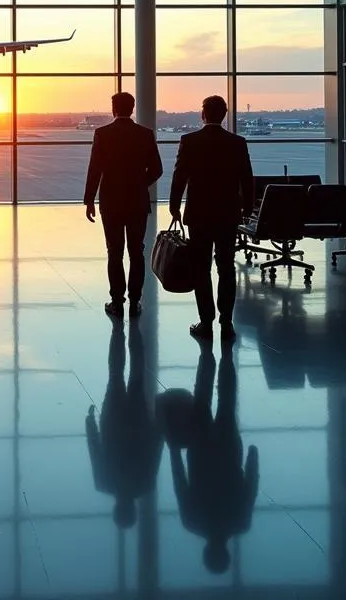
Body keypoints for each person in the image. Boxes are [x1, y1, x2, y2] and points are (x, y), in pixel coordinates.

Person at [161, 346, 259, 574]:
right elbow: (180, 483)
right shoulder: (192, 522)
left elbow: (251, 487)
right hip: (200, 453)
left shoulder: (240, 523)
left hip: (228, 452)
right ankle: (207, 353)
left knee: (227, 401)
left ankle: (225, 354)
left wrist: (253, 457)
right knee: (202, 399)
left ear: (227, 553)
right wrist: (175, 451)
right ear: (206, 553)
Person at [169, 95, 253, 343]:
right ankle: (227, 323)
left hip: (199, 214)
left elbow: (179, 177)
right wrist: (247, 208)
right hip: (228, 214)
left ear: (202, 114)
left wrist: (174, 207)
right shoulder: (237, 142)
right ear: (224, 114)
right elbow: (246, 178)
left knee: (201, 268)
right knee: (226, 267)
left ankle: (206, 322)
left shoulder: (189, 141)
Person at [83, 92, 163, 319]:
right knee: (137, 252)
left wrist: (89, 200)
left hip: (111, 201)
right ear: (133, 108)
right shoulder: (145, 134)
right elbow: (157, 169)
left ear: (113, 109)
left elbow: (94, 170)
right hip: (137, 201)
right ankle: (135, 301)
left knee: (114, 252)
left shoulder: (102, 134)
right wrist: (139, 184)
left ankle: (117, 301)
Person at [86, 320, 161, 527]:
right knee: (115, 375)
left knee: (135, 376)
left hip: (138, 425)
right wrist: (90, 424)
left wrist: (158, 427)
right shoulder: (104, 483)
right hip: (114, 424)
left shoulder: (146, 485)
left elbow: (154, 451)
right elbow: (95, 450)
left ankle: (130, 330)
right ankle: (119, 331)